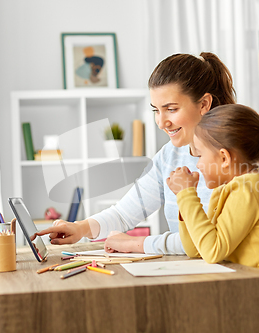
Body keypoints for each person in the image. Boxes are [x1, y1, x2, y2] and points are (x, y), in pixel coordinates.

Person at [33, 52, 236, 254]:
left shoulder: (233, 158)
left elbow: (209, 239)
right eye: (156, 110)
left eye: (171, 109)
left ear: (203, 104)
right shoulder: (169, 156)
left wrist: (135, 244)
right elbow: (124, 214)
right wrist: (80, 228)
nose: (161, 122)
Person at [166, 104, 259, 329]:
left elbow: (213, 251)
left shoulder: (249, 188)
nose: (198, 164)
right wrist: (184, 201)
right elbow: (196, 250)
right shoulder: (227, 190)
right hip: (252, 301)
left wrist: (186, 195)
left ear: (224, 157)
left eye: (201, 154)